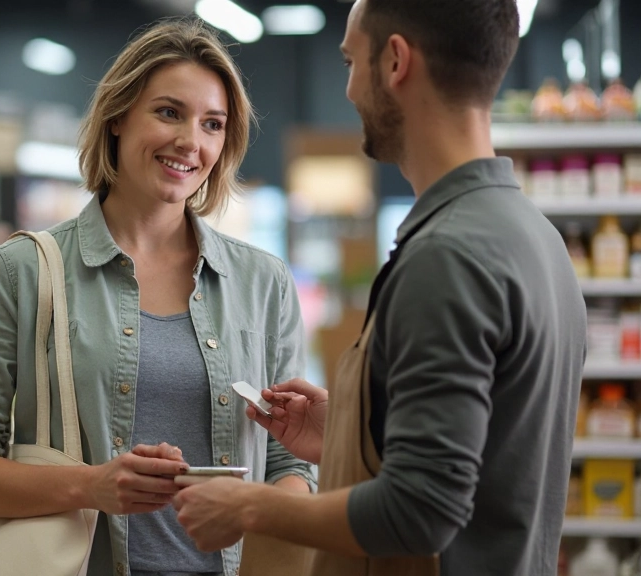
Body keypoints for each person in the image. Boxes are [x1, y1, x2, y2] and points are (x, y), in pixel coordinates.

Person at [173, 0, 587, 574]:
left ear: (395, 61)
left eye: (349, 62)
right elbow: (487, 458)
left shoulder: (448, 255)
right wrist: (353, 431)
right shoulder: (532, 236)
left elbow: (421, 511)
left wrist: (251, 506)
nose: (346, 90)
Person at [0, 18, 316, 576]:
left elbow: (287, 461)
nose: (191, 141)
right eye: (168, 112)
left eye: (212, 124)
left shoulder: (262, 282)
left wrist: (268, 507)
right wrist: (91, 485)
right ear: (116, 117)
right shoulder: (24, 272)